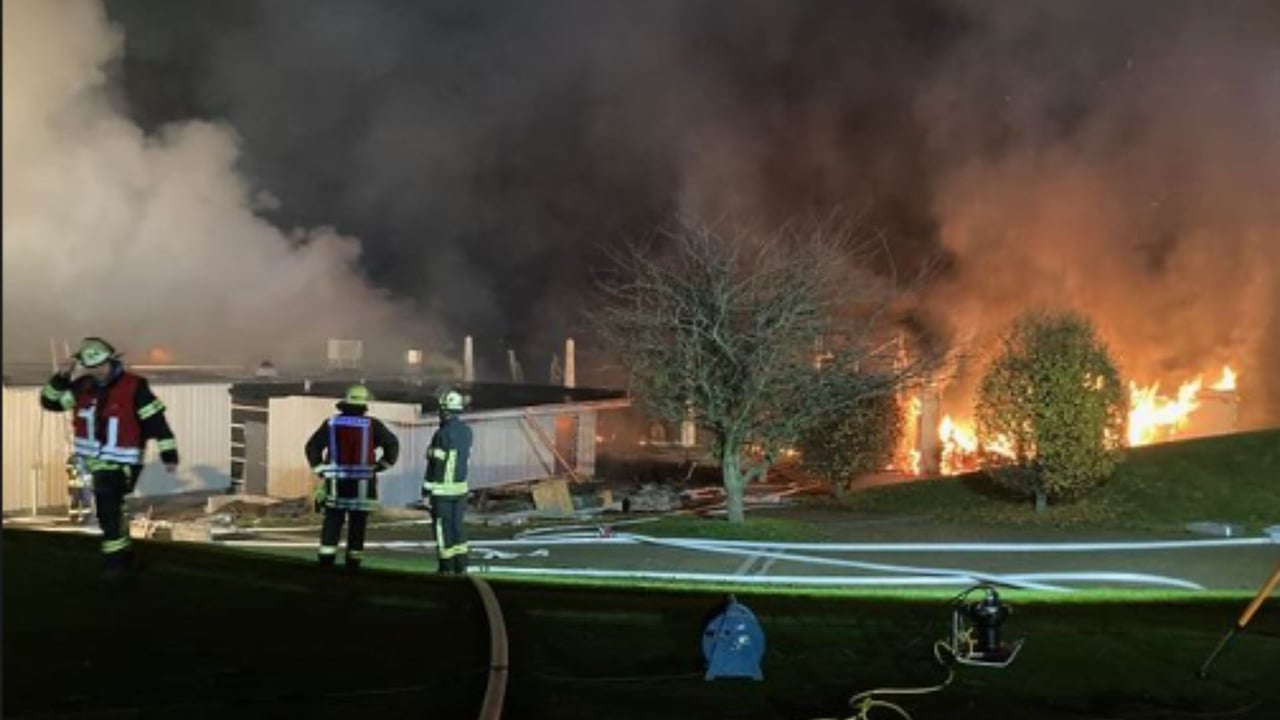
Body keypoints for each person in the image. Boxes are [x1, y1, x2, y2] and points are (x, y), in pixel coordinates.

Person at [39, 337, 179, 576]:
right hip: (93, 461)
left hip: (122, 461)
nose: (98, 372)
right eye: (92, 368)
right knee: (112, 509)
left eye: (102, 365)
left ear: (111, 360)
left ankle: (114, 564)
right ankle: (123, 553)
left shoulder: (135, 387)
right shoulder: (82, 386)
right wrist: (61, 377)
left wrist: (169, 454)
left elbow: (156, 422)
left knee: (107, 506)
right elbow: (51, 403)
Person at [305, 384, 399, 571]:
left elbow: (312, 446)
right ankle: (353, 563)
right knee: (357, 526)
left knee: (333, 522)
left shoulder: (331, 423)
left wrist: (319, 468)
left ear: (345, 403)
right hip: (362, 487)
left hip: (335, 486)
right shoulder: (373, 425)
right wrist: (381, 466)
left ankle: (326, 561)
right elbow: (392, 445)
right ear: (364, 405)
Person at [422, 388, 473, 574]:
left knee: (443, 530)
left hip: (442, 492)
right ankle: (462, 566)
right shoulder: (467, 432)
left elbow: (434, 466)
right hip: (460, 491)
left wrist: (426, 491)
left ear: (444, 411)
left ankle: (446, 567)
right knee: (458, 528)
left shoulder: (441, 434)